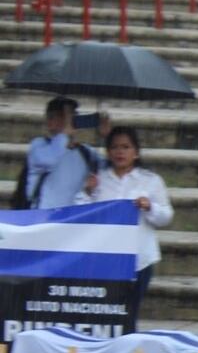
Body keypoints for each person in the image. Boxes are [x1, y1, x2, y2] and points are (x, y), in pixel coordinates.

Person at [75, 125, 172, 318]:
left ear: (135, 152)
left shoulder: (150, 181)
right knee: (104, 313)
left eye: (126, 147)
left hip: (139, 260)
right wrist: (86, 191)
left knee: (129, 314)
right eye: (115, 147)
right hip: (104, 259)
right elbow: (80, 213)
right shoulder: (98, 180)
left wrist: (149, 206)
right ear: (108, 152)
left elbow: (166, 216)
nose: (120, 152)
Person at [23, 96, 107, 209]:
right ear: (49, 121)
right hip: (43, 218)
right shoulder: (39, 146)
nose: (69, 120)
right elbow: (49, 160)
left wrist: (107, 137)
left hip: (72, 220)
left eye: (72, 115)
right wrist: (64, 135)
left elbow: (111, 168)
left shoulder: (85, 152)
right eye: (63, 116)